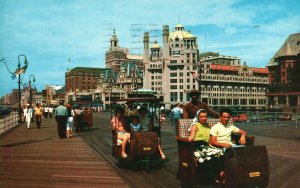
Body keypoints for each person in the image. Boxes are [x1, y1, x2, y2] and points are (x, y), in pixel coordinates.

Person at [210, 108, 247, 184]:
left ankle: (241, 174)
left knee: (244, 151)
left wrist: (242, 136)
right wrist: (223, 144)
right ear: (220, 117)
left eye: (227, 117)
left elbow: (243, 131)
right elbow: (213, 142)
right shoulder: (215, 127)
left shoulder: (231, 126)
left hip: (230, 146)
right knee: (228, 154)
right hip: (219, 147)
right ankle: (224, 177)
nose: (226, 119)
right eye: (224, 117)